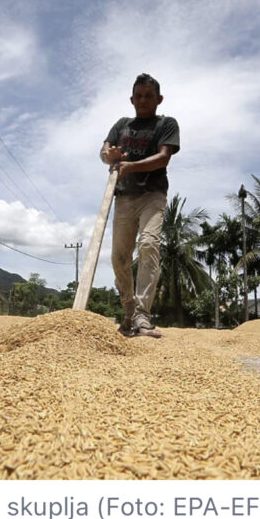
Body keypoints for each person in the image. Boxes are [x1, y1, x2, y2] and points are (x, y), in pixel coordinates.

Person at [100, 73, 180, 338]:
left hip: (152, 195)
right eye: (138, 96)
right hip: (123, 197)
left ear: (159, 99)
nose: (142, 100)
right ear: (131, 99)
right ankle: (128, 312)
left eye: (148, 96)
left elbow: (163, 157)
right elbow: (105, 151)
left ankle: (143, 316)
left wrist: (130, 166)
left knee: (148, 244)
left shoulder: (166, 124)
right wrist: (108, 155)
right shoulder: (122, 125)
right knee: (119, 258)